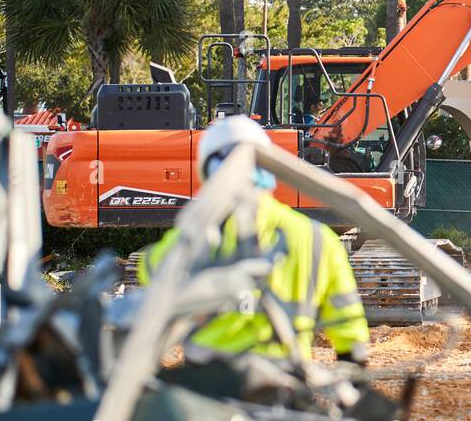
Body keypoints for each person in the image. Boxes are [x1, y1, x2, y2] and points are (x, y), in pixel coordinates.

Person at [138, 116, 369, 365]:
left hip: (207, 391)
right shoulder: (316, 239)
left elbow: (150, 271)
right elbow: (349, 329)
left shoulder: (192, 238)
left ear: (207, 170)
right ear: (269, 166)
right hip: (284, 390)